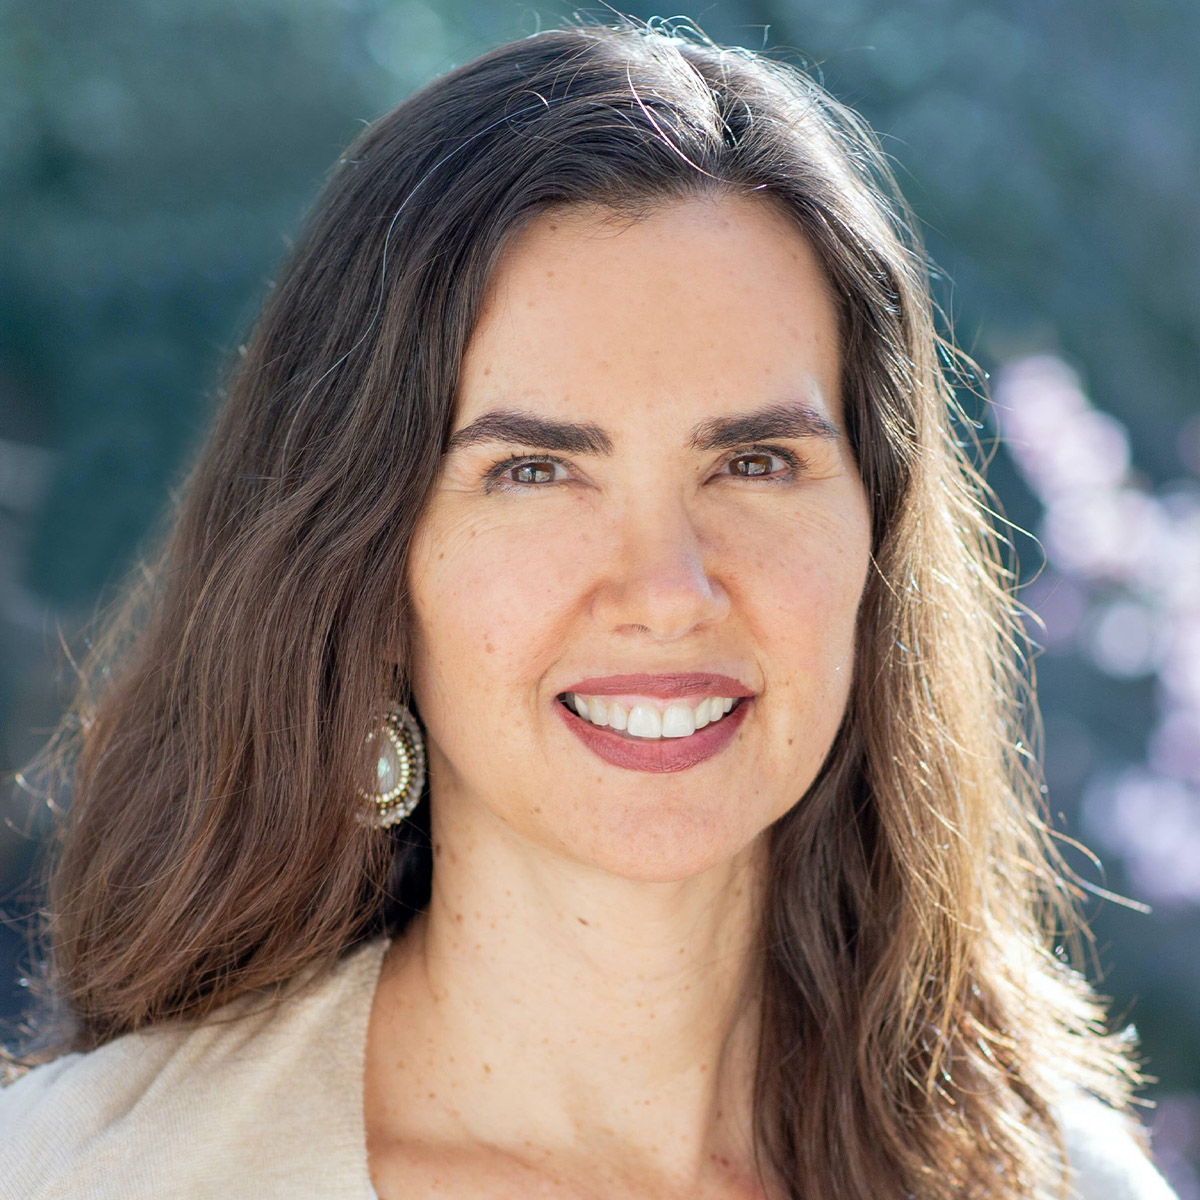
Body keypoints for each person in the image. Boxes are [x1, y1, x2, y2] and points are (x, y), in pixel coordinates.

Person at [0, 17, 1181, 1200]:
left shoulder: (1062, 1184)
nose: (668, 588)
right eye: (536, 470)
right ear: (365, 556)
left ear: (876, 535)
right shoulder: (92, 1176)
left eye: (756, 462)